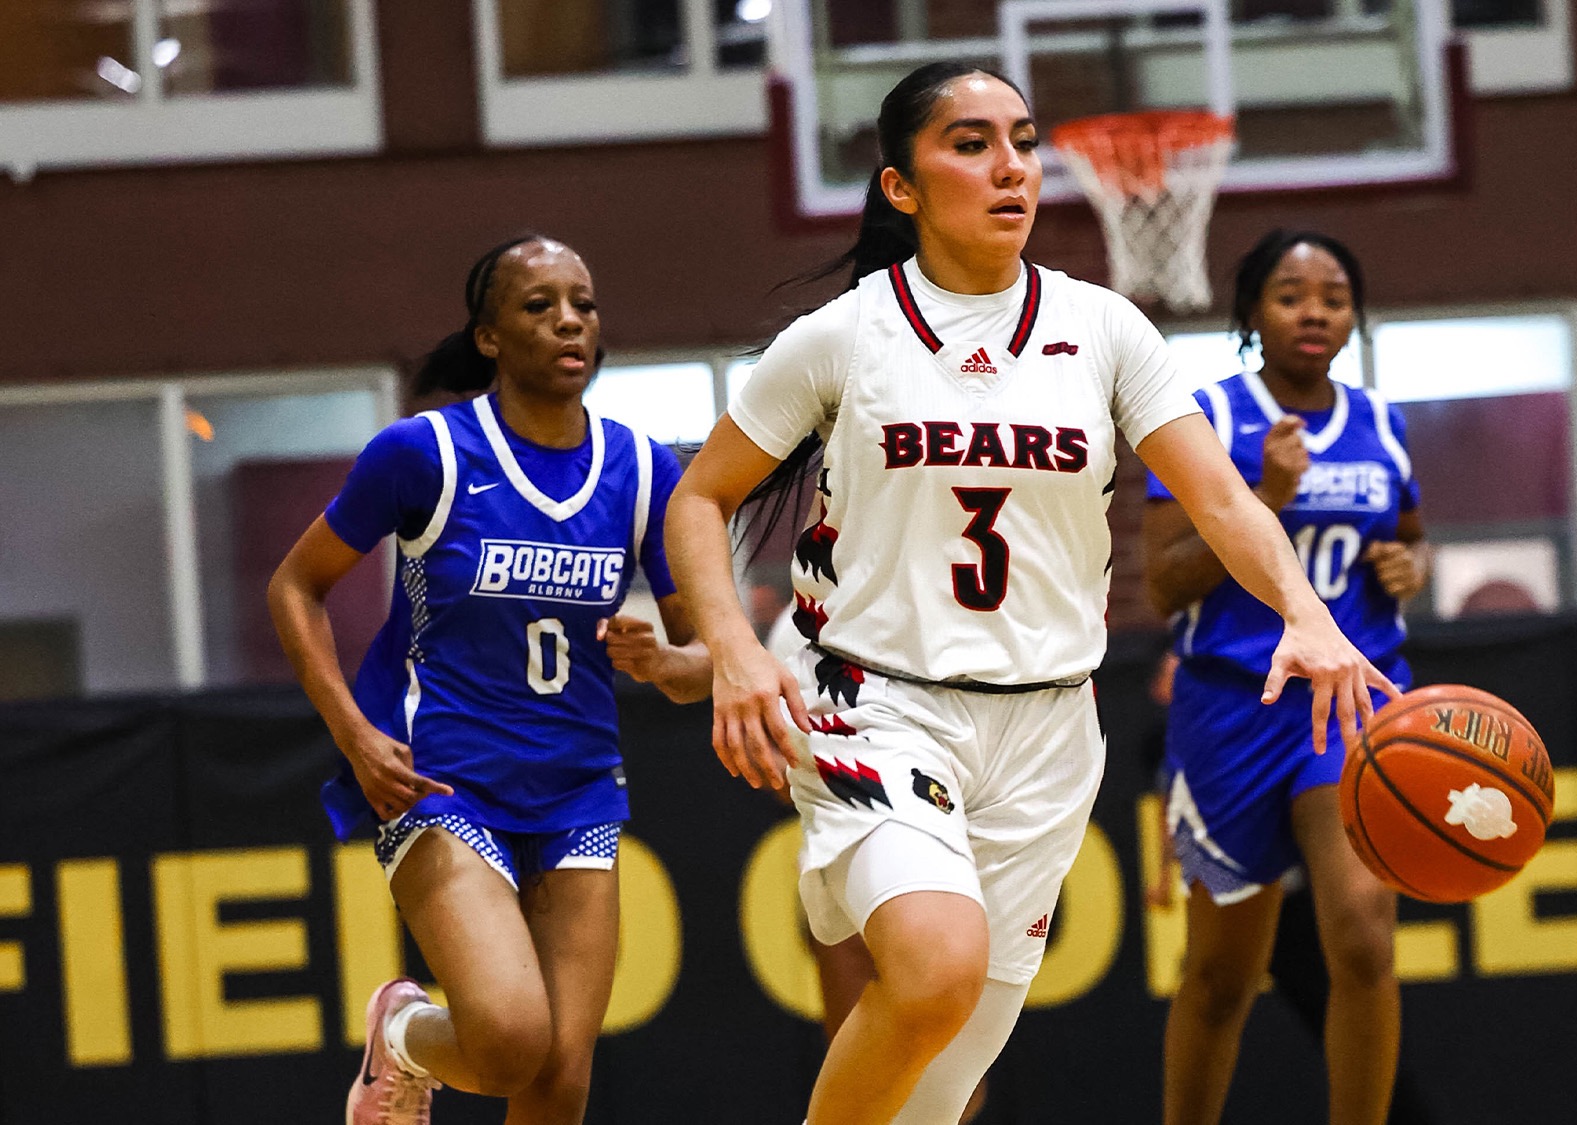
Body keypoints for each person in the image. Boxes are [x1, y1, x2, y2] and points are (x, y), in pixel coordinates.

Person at [663, 62, 1394, 1125]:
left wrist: (1308, 615)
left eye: (1022, 138)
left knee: (942, 1081)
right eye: (969, 144)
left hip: (1048, 726)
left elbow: (1226, 503)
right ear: (899, 187)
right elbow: (697, 500)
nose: (1010, 166)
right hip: (875, 699)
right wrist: (731, 644)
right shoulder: (843, 337)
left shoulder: (1104, 331)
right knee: (932, 967)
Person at [267, 235, 710, 1125]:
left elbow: (708, 661)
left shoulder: (643, 469)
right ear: (489, 337)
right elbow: (295, 586)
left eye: (583, 303)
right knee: (509, 1042)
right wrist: (356, 735)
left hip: (579, 783)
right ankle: (401, 1035)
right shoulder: (423, 452)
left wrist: (667, 662)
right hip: (441, 777)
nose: (569, 321)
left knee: (560, 1083)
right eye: (539, 305)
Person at [1142, 229, 1430, 1125]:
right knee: (1223, 975)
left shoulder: (1382, 423)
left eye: (1334, 297)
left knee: (1362, 938)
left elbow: (1408, 537)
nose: (1315, 312)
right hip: (1234, 707)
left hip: (1349, 702)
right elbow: (1162, 582)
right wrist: (1259, 496)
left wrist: (1408, 568)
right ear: (1251, 314)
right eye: (1291, 294)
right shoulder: (1210, 421)